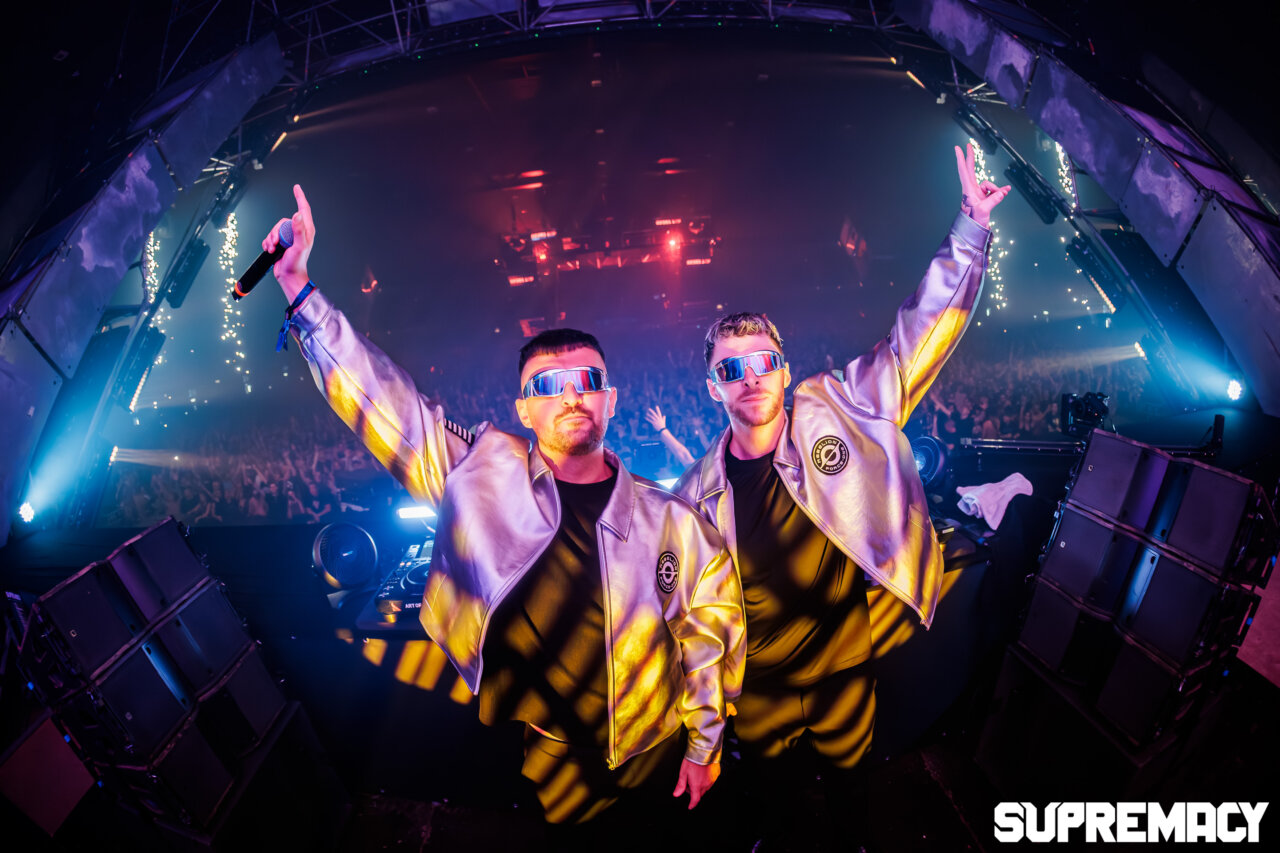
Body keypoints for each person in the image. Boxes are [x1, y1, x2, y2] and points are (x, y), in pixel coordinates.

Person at [260, 186, 744, 837]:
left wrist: (704, 746)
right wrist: (300, 291)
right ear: (522, 409)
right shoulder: (480, 481)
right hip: (549, 748)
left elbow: (708, 638)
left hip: (652, 741)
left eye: (586, 381)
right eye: (548, 385)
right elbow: (387, 405)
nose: (570, 397)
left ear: (610, 400)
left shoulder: (673, 521)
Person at [674, 144, 1009, 850]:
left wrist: (971, 228)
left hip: (845, 673)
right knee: (774, 806)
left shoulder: (837, 408)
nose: (750, 378)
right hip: (759, 691)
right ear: (712, 387)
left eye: (763, 362)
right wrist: (702, 736)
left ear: (783, 368)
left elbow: (914, 341)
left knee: (854, 795)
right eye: (731, 369)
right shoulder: (696, 495)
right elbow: (698, 623)